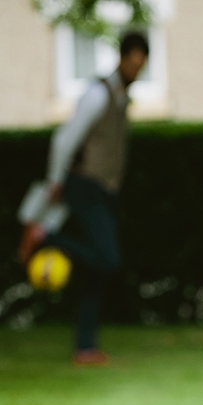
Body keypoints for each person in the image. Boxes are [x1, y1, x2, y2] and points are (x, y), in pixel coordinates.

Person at [20, 31, 149, 366]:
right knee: (108, 259)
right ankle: (48, 238)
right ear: (121, 58)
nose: (136, 70)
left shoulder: (121, 98)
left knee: (98, 272)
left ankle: (85, 346)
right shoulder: (98, 94)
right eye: (132, 62)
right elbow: (65, 139)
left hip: (104, 191)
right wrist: (55, 181)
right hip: (85, 185)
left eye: (141, 65)